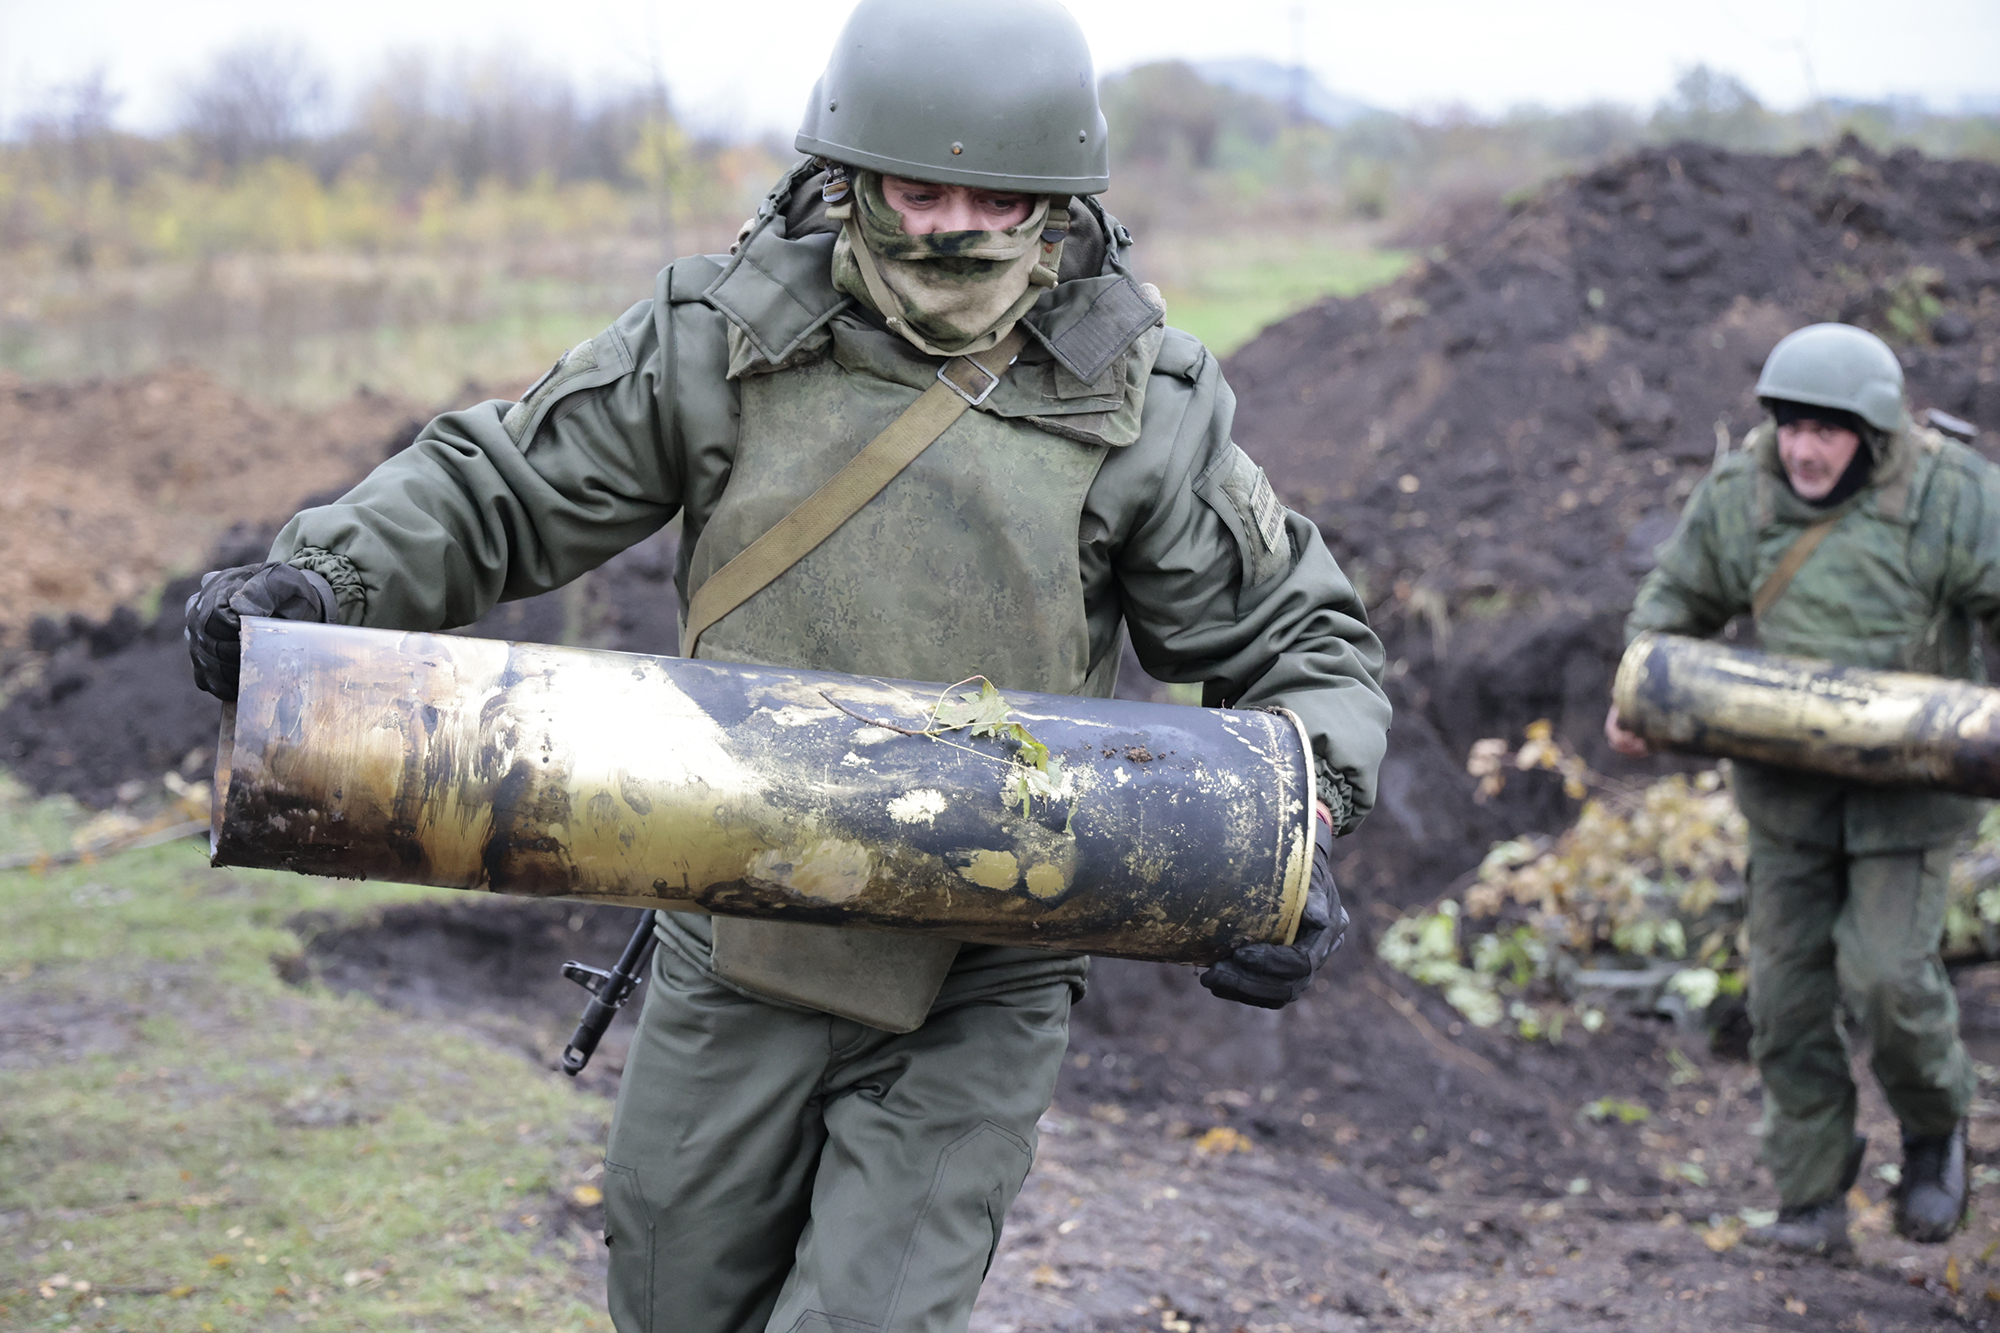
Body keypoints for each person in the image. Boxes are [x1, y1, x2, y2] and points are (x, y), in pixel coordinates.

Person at [181, 1, 1392, 1327]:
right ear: (849, 177)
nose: (949, 228)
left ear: (1061, 199)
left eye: (996, 197)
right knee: (670, 1295)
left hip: (983, 965)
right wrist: (327, 578)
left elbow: (1300, 638)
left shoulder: (1141, 403)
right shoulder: (723, 337)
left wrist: (1297, 829)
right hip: (733, 927)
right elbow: (507, 488)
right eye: (917, 191)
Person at [1608, 322, 1992, 1257]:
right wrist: (1642, 689)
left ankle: (1937, 1137)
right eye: (1790, 426)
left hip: (1910, 793)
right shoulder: (1742, 494)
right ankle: (1812, 1196)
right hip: (1787, 795)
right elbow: (1674, 605)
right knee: (1783, 999)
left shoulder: (1949, 492)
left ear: (1873, 431)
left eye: (1828, 430)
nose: (1804, 449)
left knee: (1892, 980)